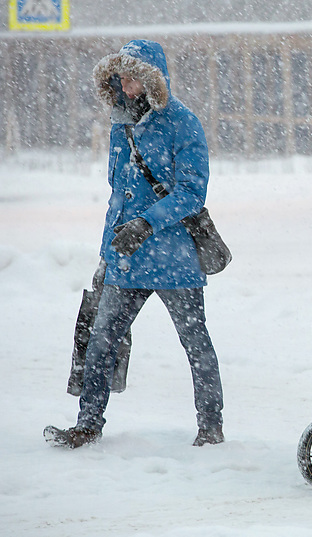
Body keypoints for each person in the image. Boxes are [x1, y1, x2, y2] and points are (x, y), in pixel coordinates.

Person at [44, 39, 224, 449]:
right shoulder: (120, 126)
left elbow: (192, 193)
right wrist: (106, 254)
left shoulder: (184, 123)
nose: (125, 87)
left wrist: (147, 223)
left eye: (133, 79)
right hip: (125, 260)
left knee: (195, 345)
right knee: (101, 340)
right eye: (120, 79)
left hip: (175, 260)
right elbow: (117, 194)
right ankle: (88, 424)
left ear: (151, 81)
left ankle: (211, 427)